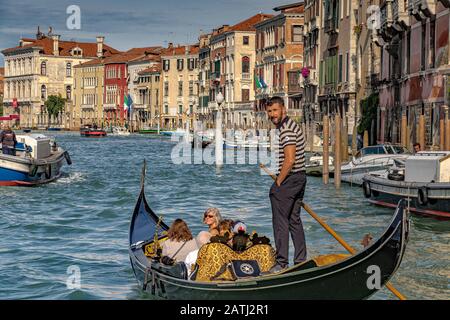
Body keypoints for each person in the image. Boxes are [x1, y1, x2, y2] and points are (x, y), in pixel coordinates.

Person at [266, 96, 307, 272]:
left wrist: (278, 182)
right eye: (269, 111)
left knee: (280, 221)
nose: (272, 114)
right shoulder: (289, 126)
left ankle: (282, 263)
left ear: (283, 109)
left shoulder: (286, 130)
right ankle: (300, 260)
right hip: (300, 177)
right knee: (294, 220)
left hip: (290, 178)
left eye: (275, 110)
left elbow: (289, 160)